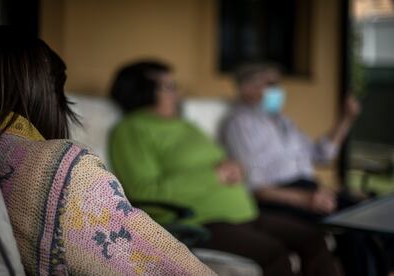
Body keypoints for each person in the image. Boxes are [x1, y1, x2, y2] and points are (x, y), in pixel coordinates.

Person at [0, 26, 214, 275]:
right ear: (45, 94)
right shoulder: (64, 169)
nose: (177, 93)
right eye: (169, 86)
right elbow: (164, 265)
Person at [108, 60, 341, 276]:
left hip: (244, 213)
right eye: (169, 86)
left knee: (313, 238)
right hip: (201, 223)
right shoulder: (131, 130)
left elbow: (218, 165)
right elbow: (143, 190)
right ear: (145, 92)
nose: (177, 92)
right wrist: (215, 176)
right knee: (275, 255)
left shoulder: (184, 125)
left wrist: (234, 169)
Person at [221, 63, 361, 222]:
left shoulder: (283, 121)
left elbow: (322, 155)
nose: (278, 91)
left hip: (309, 190)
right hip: (279, 199)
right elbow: (255, 187)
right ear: (246, 89)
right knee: (353, 225)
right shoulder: (240, 124)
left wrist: (346, 119)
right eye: (271, 84)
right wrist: (305, 200)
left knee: (364, 210)